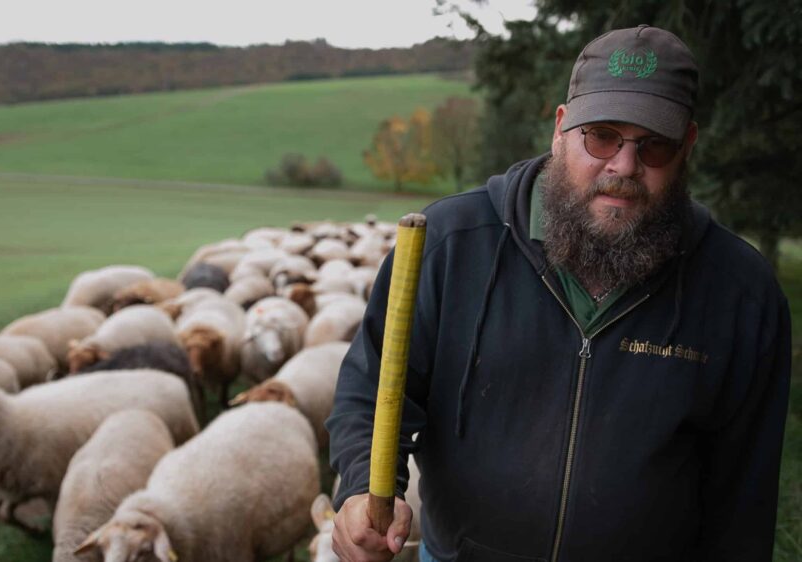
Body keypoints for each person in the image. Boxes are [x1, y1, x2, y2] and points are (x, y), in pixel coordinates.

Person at [326, 25, 791, 562]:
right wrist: (363, 487)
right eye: (601, 136)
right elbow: (372, 384)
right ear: (561, 128)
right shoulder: (452, 244)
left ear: (687, 146)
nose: (623, 165)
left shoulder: (740, 293)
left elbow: (744, 494)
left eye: (654, 145)